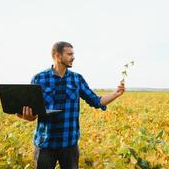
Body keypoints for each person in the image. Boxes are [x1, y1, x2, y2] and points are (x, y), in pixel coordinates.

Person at [17, 41, 125, 169]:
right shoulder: (39, 79)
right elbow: (32, 112)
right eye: (69, 54)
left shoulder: (77, 79)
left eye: (73, 54)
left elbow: (96, 101)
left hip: (69, 144)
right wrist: (28, 116)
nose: (73, 57)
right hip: (45, 144)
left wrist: (116, 94)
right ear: (58, 56)